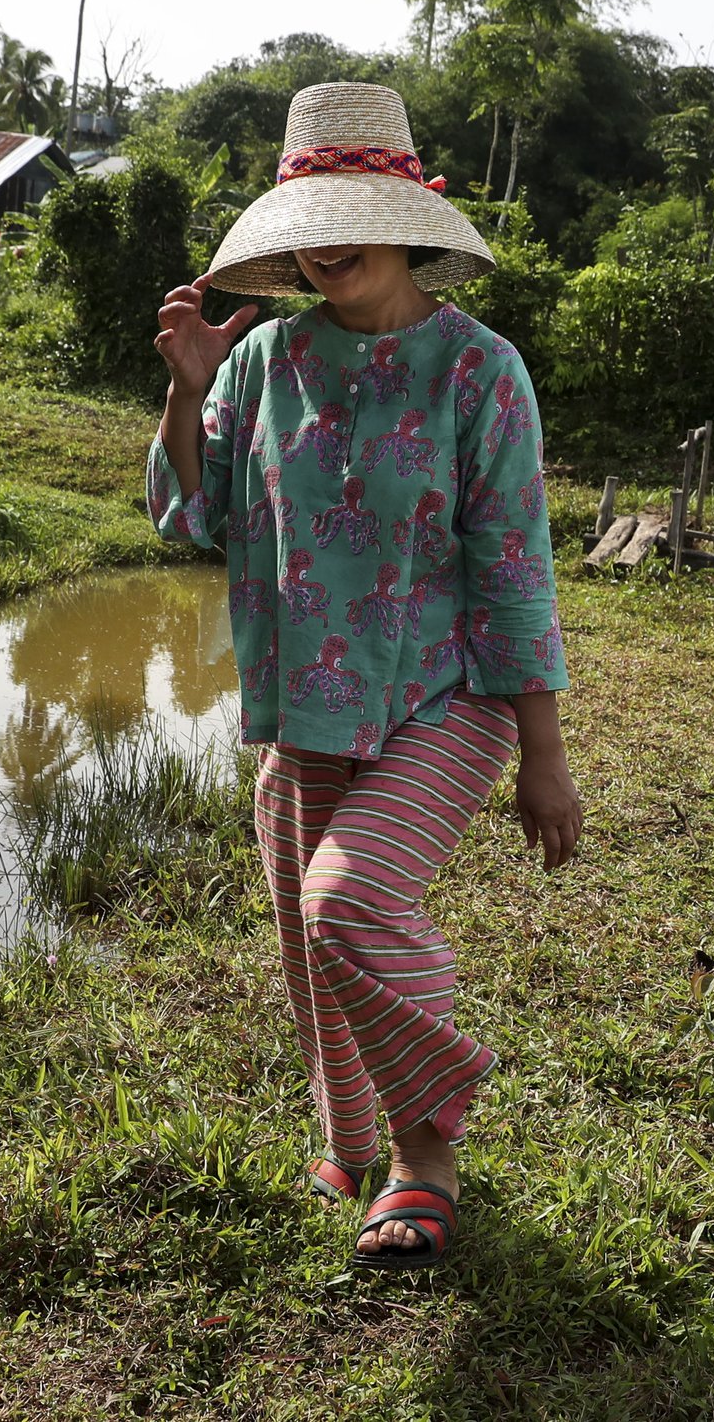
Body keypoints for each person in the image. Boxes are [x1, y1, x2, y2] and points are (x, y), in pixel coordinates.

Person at [147, 82, 582, 1270]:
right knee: (307, 942)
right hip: (311, 708)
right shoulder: (263, 364)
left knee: (346, 904)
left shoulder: (481, 372)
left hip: (449, 699)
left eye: (351, 212)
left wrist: (543, 756)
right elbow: (195, 513)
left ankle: (422, 1153)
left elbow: (513, 568)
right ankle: (345, 1136)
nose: (329, 237)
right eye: (311, 217)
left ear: (404, 217)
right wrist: (188, 393)